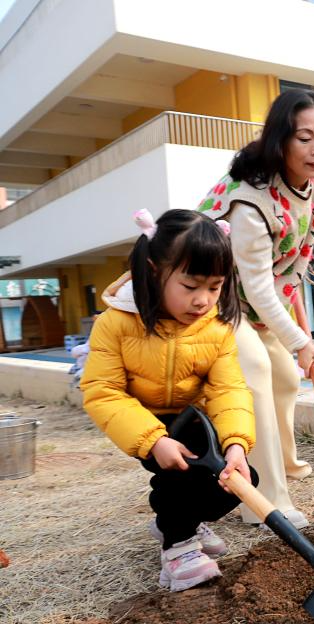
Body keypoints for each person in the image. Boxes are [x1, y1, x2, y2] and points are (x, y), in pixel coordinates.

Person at [81, 209, 257, 591]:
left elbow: (229, 390)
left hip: (192, 418)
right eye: (191, 286)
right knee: (178, 476)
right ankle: (177, 549)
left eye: (214, 287)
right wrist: (153, 440)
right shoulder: (116, 323)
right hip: (142, 420)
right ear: (154, 270)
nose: (203, 300)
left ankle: (178, 522)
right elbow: (102, 390)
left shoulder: (217, 328)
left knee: (239, 478)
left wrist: (236, 444)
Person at [199, 89, 314, 528]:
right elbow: (256, 285)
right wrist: (299, 340)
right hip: (213, 302)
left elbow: (295, 260)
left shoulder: (309, 186)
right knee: (256, 372)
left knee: (283, 377)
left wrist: (294, 319)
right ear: (280, 140)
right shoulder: (251, 199)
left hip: (256, 303)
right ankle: (264, 499)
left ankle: (282, 461)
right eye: (304, 138)